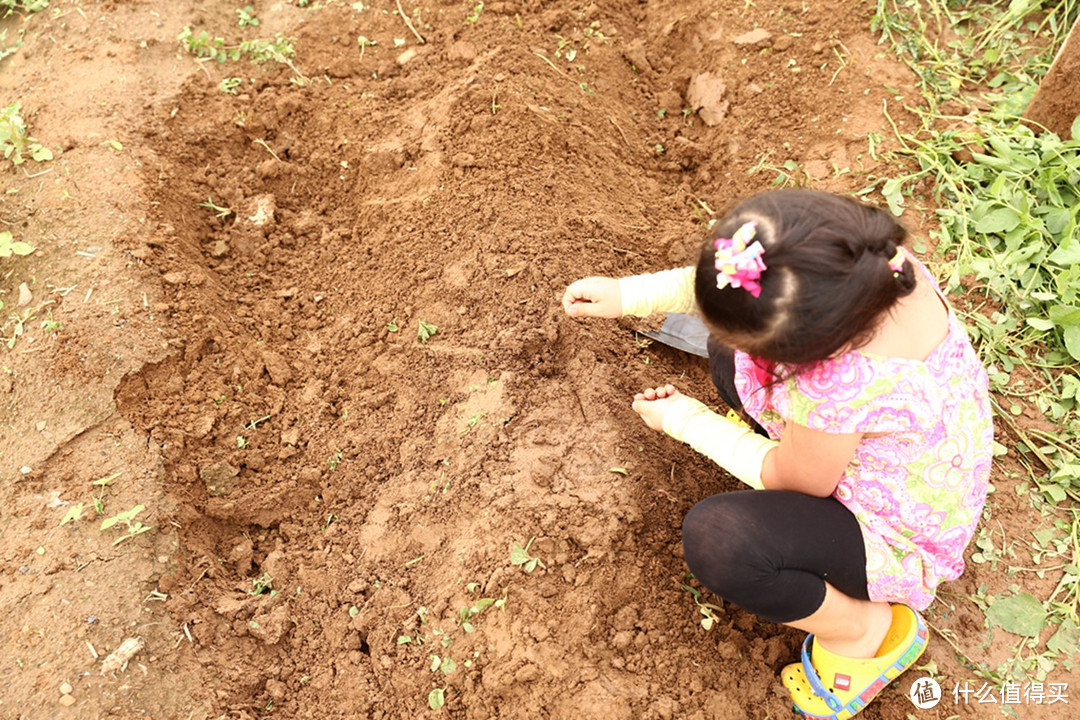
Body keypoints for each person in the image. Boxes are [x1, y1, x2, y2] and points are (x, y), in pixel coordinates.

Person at [561, 189, 992, 719]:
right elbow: (739, 286)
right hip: (904, 455)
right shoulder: (864, 265)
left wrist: (687, 422)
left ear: (811, 350)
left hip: (894, 529)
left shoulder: (841, 384)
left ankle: (864, 630)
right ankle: (767, 393)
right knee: (727, 349)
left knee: (721, 540)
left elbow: (795, 480)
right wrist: (631, 294)